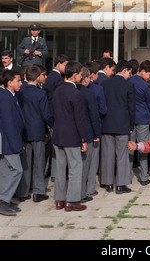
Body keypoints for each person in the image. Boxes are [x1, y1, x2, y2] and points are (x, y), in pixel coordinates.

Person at [52, 61, 88, 212]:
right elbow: (79, 119)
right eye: (80, 74)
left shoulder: (57, 90)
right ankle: (72, 201)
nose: (81, 76)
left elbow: (52, 113)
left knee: (60, 168)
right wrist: (84, 139)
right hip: (71, 135)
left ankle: (59, 200)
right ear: (75, 75)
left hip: (58, 134)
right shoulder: (76, 93)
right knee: (75, 167)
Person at [16, 65, 53, 203]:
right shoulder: (40, 93)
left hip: (24, 130)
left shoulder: (20, 92)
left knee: (25, 162)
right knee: (39, 162)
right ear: (38, 77)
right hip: (38, 131)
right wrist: (51, 126)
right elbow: (46, 114)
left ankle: (23, 191)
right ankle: (38, 192)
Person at [100, 60, 136, 194]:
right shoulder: (128, 85)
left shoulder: (105, 83)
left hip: (107, 123)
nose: (129, 75)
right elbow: (132, 107)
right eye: (129, 72)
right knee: (122, 155)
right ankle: (121, 185)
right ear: (125, 70)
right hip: (122, 124)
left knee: (107, 154)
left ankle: (107, 183)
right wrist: (131, 125)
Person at [129, 60, 150, 186]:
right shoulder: (146, 86)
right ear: (142, 71)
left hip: (130, 118)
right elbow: (149, 103)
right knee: (143, 147)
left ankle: (127, 175)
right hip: (143, 118)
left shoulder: (129, 81)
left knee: (130, 147)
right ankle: (144, 175)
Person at [0, 70, 25, 216]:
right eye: (18, 81)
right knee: (17, 170)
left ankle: (5, 199)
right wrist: (16, 145)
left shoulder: (8, 95)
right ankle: (3, 200)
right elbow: (8, 125)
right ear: (9, 83)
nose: (20, 83)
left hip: (8, 142)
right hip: (7, 143)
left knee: (5, 171)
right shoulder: (5, 98)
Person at [77, 67, 101, 201]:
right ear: (86, 78)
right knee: (87, 164)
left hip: (74, 133)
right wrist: (97, 133)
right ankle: (85, 191)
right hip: (88, 132)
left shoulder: (71, 91)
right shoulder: (88, 93)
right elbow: (94, 115)